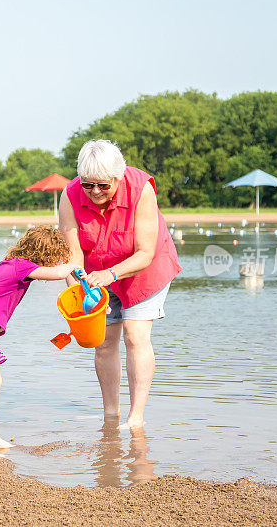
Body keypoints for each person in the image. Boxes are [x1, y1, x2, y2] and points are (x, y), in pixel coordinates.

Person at [59, 139, 181, 429]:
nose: (95, 192)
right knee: (103, 343)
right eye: (89, 185)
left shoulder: (142, 189)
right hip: (95, 276)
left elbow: (145, 253)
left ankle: (135, 417)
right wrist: (75, 289)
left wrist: (112, 274)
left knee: (135, 336)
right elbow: (73, 254)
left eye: (103, 185)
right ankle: (110, 414)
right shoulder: (70, 194)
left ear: (118, 176)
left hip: (143, 270)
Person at [0, 225, 76, 455]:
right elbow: (58, 274)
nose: (52, 262)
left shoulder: (16, 264)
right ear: (43, 253)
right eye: (52, 257)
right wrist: (73, 266)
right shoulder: (20, 265)